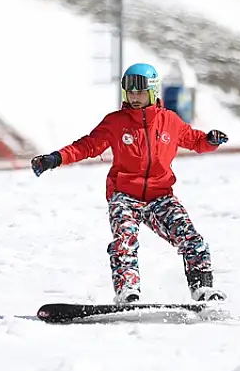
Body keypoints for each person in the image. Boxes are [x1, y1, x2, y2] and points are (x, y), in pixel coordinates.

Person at [31, 63, 229, 304]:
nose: (134, 98)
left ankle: (202, 289)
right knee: (124, 241)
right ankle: (128, 292)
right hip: (124, 195)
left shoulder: (170, 121)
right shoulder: (116, 122)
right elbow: (87, 146)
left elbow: (194, 139)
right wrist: (56, 158)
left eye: (140, 92)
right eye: (130, 92)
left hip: (160, 196)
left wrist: (210, 140)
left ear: (153, 91)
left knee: (191, 238)